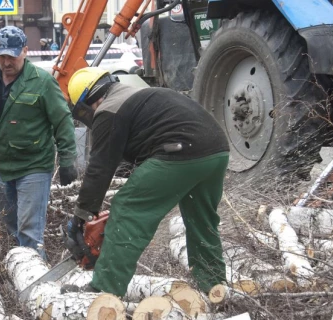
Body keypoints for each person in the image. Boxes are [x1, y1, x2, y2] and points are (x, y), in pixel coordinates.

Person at [62, 67, 230, 296]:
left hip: (180, 151)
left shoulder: (108, 109)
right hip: (216, 151)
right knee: (201, 221)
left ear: (88, 101)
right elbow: (131, 154)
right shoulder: (135, 95)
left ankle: (103, 289)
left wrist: (82, 215)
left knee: (127, 208)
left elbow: (100, 168)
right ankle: (214, 286)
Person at [0, 27, 78, 260]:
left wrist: (67, 159)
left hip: (34, 166)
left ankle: (36, 287)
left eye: (12, 56)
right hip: (4, 166)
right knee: (10, 224)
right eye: (1, 56)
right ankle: (25, 268)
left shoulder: (42, 82)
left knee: (29, 232)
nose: (6, 62)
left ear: (25, 51)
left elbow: (62, 121)